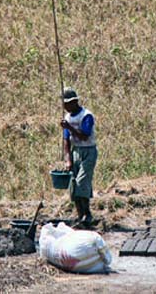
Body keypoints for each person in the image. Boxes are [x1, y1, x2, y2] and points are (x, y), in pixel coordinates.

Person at [60, 87, 97, 226]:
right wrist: (68, 159)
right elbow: (66, 140)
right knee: (74, 184)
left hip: (88, 151)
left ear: (74, 102)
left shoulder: (86, 116)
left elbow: (84, 135)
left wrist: (69, 127)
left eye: (67, 104)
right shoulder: (68, 118)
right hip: (76, 152)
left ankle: (87, 214)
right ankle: (80, 215)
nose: (65, 107)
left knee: (82, 182)